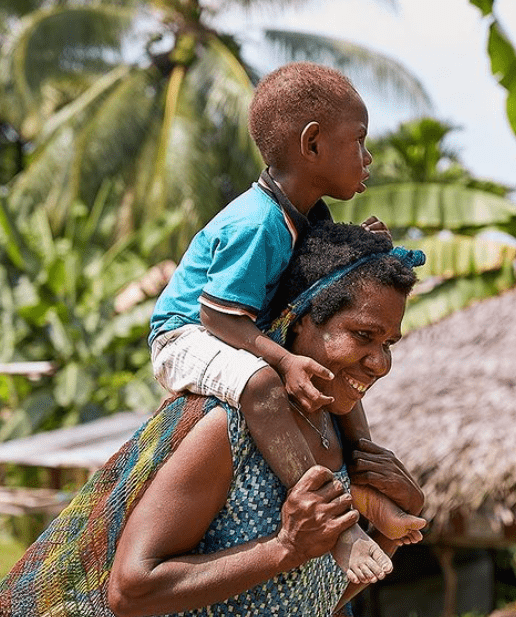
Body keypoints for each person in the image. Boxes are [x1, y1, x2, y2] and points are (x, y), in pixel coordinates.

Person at [0, 221, 426, 617]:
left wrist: (393, 529)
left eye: (389, 344)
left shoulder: (334, 429)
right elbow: (130, 589)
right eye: (363, 336)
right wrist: (283, 548)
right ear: (300, 319)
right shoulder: (231, 428)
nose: (380, 363)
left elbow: (311, 600)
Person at [148, 61, 423, 583]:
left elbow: (317, 276)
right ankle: (338, 527)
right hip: (187, 334)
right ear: (313, 144)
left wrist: (364, 245)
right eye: (359, 142)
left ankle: (363, 480)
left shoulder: (306, 212)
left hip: (232, 326)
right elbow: (218, 314)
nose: (368, 158)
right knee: (262, 386)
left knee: (342, 380)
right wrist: (281, 358)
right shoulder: (257, 222)